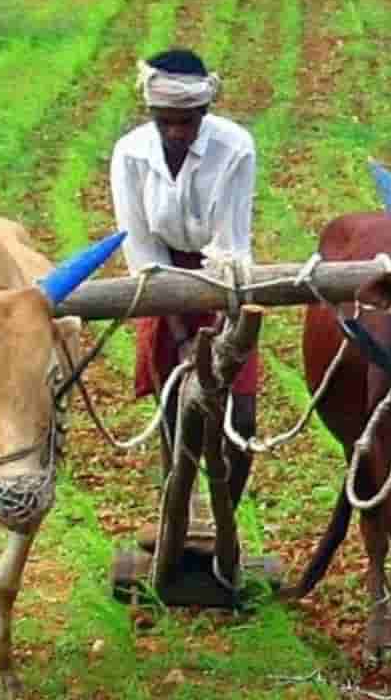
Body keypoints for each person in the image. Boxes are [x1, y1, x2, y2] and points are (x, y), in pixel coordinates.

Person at [110, 47, 260, 507]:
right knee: (176, 406)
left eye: (187, 121)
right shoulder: (131, 154)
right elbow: (141, 247)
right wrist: (178, 334)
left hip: (223, 280)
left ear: (205, 110)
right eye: (166, 121)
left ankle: (224, 518)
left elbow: (230, 243)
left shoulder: (235, 147)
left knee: (242, 414)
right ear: (152, 113)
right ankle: (176, 509)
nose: (176, 131)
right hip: (162, 281)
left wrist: (221, 337)